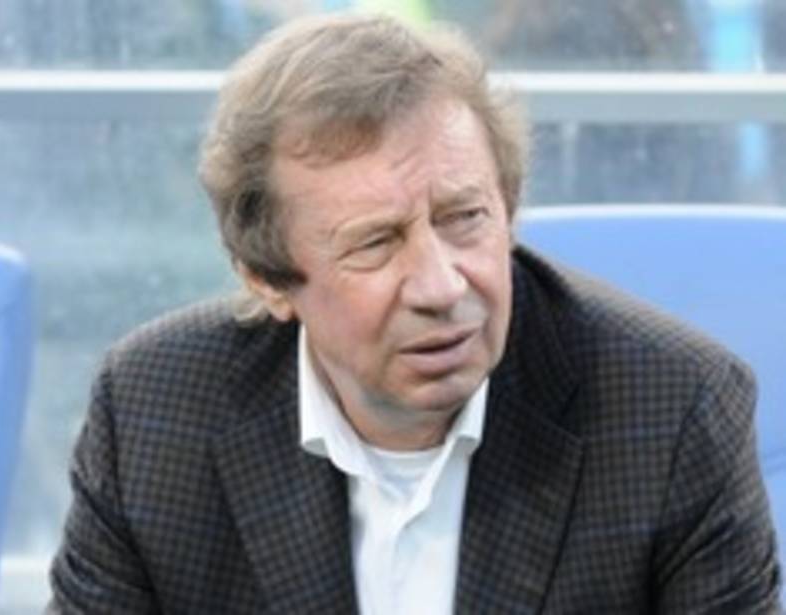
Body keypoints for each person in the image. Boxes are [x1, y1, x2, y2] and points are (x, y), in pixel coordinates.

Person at [46, 13, 781, 614]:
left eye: (464, 218)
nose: (440, 285)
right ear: (266, 279)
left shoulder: (673, 409)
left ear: (509, 212)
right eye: (374, 243)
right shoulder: (153, 411)